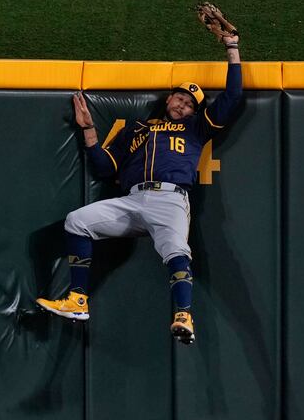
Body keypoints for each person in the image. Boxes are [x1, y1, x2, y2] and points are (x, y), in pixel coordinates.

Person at [37, 34, 242, 344]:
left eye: (189, 104)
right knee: (76, 221)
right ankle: (78, 300)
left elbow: (233, 95)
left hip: (170, 199)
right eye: (180, 98)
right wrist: (89, 130)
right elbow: (106, 168)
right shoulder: (137, 129)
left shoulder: (196, 128)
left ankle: (184, 315)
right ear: (169, 98)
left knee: (176, 251)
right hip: (131, 201)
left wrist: (232, 47)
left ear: (193, 112)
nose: (183, 105)